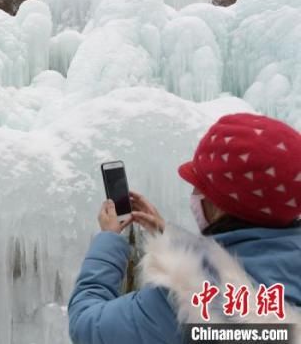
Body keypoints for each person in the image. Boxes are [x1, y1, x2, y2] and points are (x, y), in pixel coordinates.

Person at [68, 113, 301, 344]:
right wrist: (169, 236)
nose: (193, 195)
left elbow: (86, 325)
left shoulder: (185, 301)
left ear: (218, 206)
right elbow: (247, 268)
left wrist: (108, 241)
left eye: (199, 187)